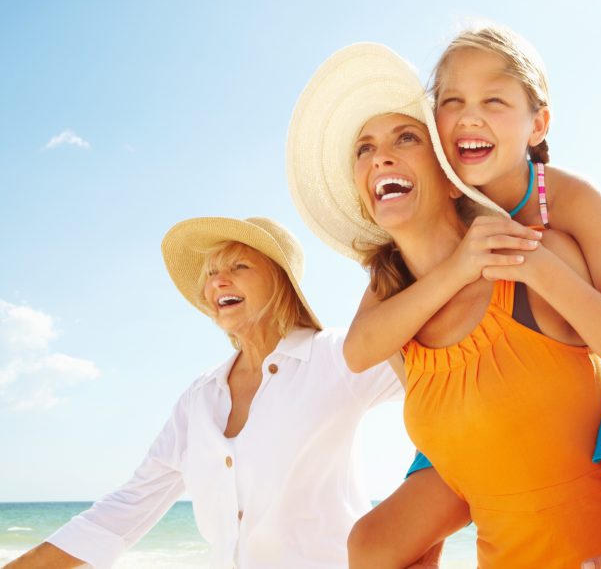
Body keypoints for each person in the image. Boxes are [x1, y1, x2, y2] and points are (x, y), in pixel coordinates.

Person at [286, 43, 601, 568]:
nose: (380, 157)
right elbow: (359, 355)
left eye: (405, 137)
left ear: (446, 166)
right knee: (367, 543)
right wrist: (458, 270)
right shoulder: (395, 322)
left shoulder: (536, 254)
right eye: (363, 149)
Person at [3, 216, 401, 569]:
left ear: (282, 280)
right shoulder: (200, 398)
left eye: (238, 267)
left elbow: (442, 384)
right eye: (210, 274)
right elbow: (124, 510)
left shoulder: (335, 356)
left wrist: (420, 527)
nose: (216, 282)